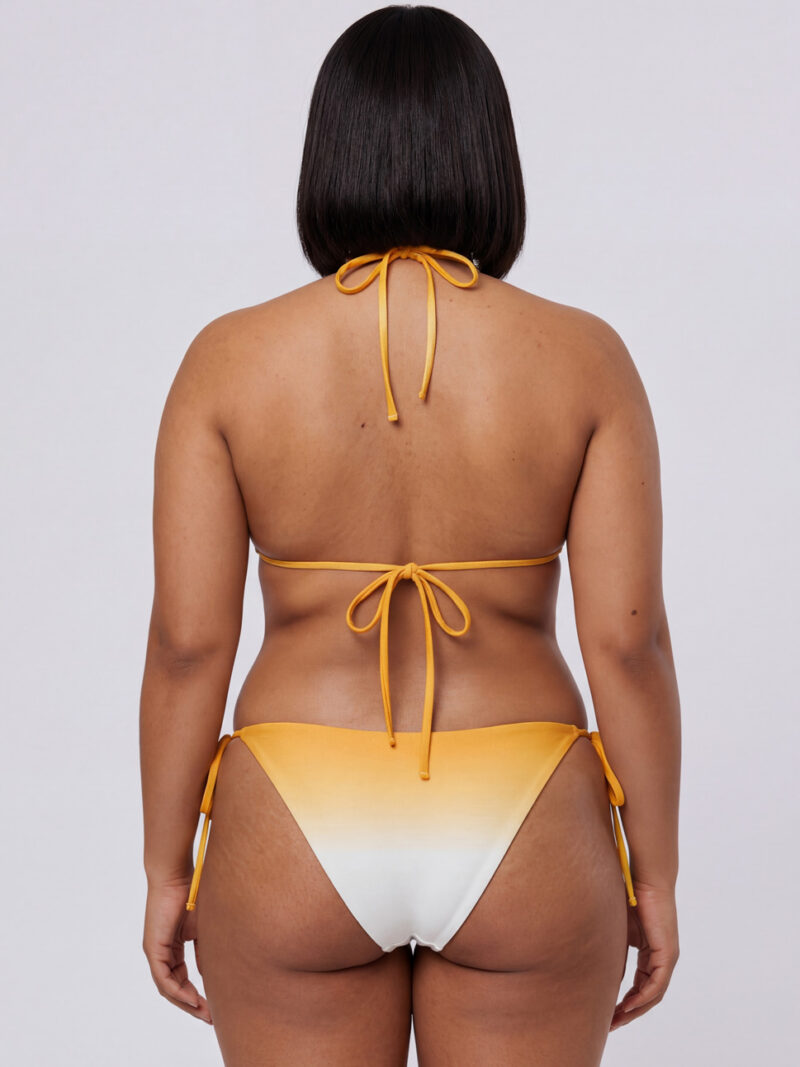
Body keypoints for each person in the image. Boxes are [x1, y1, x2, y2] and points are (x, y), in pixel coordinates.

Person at [140, 5, 681, 1064]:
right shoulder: (583, 356)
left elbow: (187, 645)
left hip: (293, 811)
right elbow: (628, 643)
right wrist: (652, 872)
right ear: (490, 157)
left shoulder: (229, 360)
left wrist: (168, 866)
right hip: (524, 808)